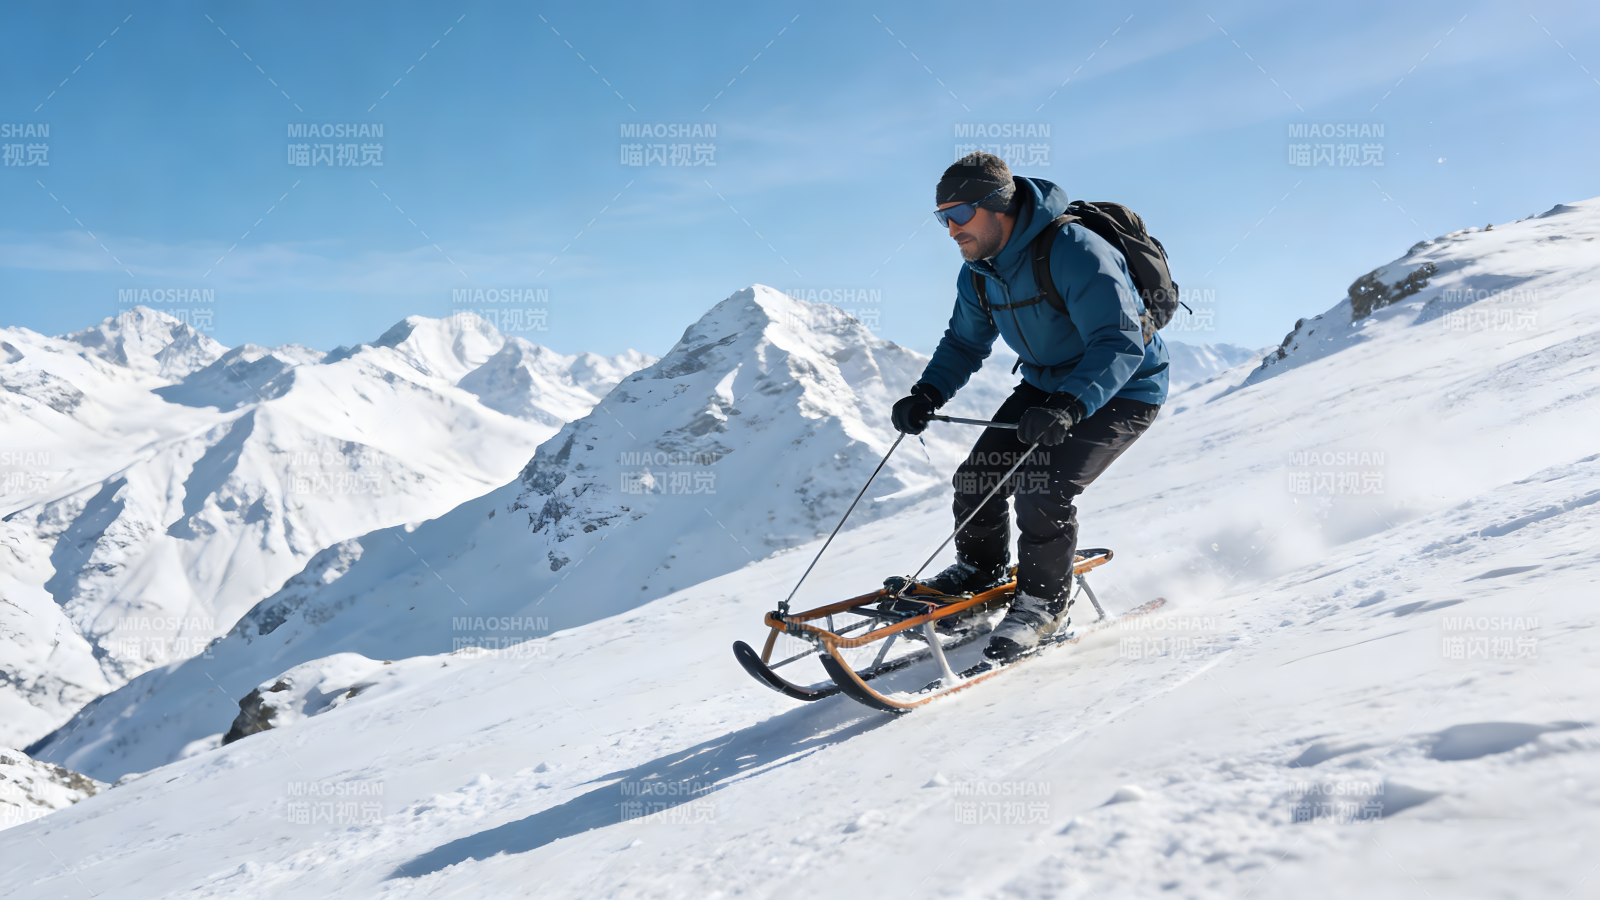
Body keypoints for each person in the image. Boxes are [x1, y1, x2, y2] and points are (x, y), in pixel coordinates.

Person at [890, 152, 1168, 662]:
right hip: (1048, 387)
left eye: (958, 214)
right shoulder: (979, 271)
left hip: (1123, 387)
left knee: (1043, 486)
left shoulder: (1073, 249)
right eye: (941, 218)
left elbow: (1119, 342)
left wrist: (1069, 404)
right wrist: (927, 393)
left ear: (998, 207)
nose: (950, 230)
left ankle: (1043, 605)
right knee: (977, 476)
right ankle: (980, 573)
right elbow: (964, 343)